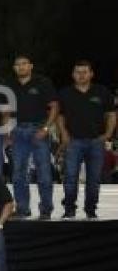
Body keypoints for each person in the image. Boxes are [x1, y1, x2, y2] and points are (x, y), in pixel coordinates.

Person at [57, 60, 116, 219]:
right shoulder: (65, 93)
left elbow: (111, 114)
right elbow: (60, 116)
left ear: (91, 74)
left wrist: (108, 134)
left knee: (94, 180)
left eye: (85, 72)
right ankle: (69, 210)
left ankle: (91, 211)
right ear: (72, 74)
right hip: (73, 142)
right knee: (70, 178)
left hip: (96, 142)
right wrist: (64, 133)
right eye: (78, 72)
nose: (81, 75)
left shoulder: (102, 92)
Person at [8, 55, 58, 219]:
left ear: (31, 66)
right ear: (14, 68)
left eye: (24, 64)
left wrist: (46, 128)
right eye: (17, 65)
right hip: (18, 131)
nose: (21, 67)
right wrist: (6, 131)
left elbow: (54, 106)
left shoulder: (42, 82)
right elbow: (5, 110)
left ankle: (46, 210)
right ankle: (23, 209)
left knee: (43, 173)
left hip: (38, 129)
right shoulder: (11, 85)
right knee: (18, 174)